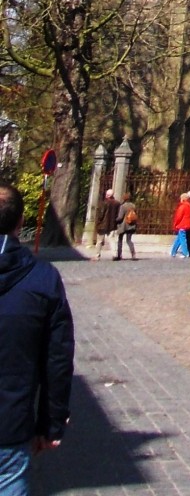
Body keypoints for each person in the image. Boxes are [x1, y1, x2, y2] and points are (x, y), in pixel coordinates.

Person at [0, 182, 74, 496]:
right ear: (20, 223)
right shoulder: (43, 279)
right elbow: (57, 360)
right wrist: (51, 422)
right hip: (10, 425)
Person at [169, 192, 190, 258]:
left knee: (182, 239)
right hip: (188, 224)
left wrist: (175, 224)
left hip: (182, 224)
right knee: (179, 239)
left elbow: (178, 216)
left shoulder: (182, 206)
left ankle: (185, 253)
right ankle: (173, 252)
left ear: (183, 199)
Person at [94, 189, 118, 259]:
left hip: (102, 225)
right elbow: (118, 215)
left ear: (107, 195)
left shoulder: (104, 203)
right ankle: (114, 254)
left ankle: (97, 255)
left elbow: (101, 215)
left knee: (99, 241)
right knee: (112, 240)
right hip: (112, 225)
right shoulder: (117, 203)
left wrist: (98, 221)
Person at [114, 195, 137, 261]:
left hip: (123, 225)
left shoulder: (123, 206)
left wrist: (115, 220)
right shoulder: (133, 206)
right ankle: (133, 254)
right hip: (131, 225)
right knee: (129, 240)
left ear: (124, 199)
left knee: (120, 240)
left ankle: (119, 255)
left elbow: (120, 217)